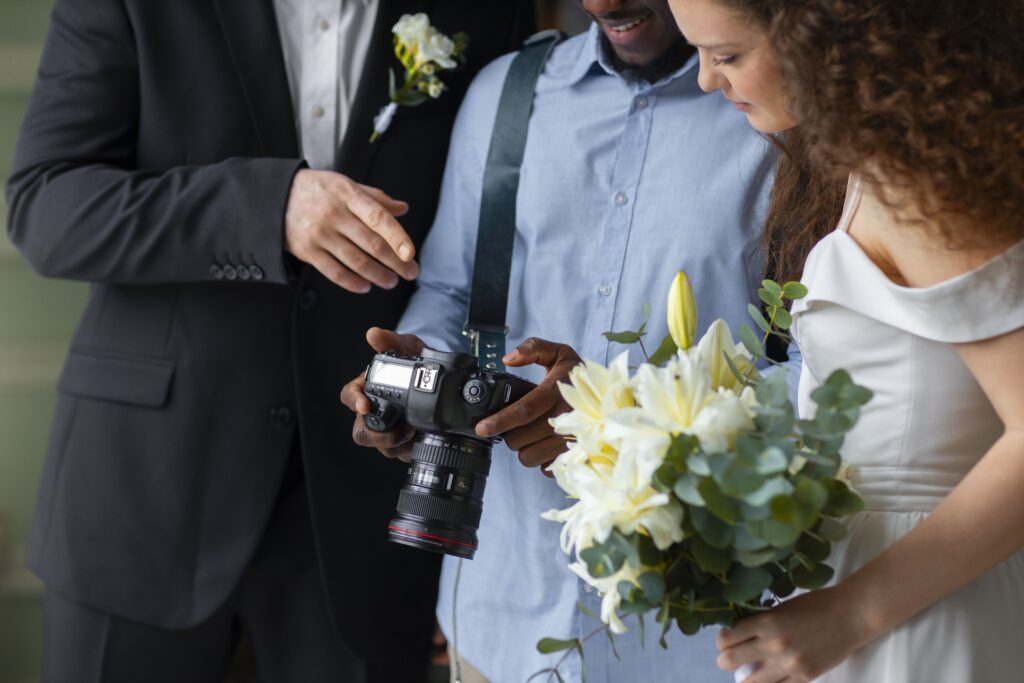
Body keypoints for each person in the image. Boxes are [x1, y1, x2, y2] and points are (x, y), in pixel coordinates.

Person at [4, 1, 534, 681]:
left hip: (370, 514)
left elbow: (493, 244)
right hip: (142, 496)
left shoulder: (491, 9)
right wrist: (267, 208)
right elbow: (47, 204)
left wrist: (471, 563)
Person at [341, 1, 778, 680]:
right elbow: (454, 289)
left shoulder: (769, 106)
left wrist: (614, 426)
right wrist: (414, 373)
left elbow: (811, 361)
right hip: (502, 615)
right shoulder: (504, 95)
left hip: (697, 639)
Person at [666, 0, 1024, 681]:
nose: (708, 81)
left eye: (728, 55)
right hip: (877, 589)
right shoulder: (874, 163)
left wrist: (854, 612)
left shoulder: (912, 178)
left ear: (820, 31)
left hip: (918, 614)